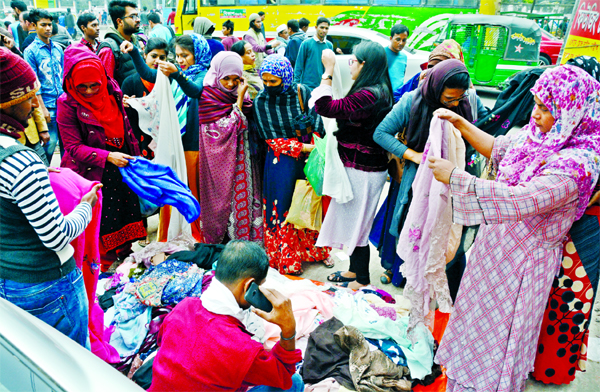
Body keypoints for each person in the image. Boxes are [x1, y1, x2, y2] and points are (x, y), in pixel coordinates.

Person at [429, 64, 600, 392]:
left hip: (522, 269)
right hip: (493, 258)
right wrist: (461, 123)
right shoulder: (539, 139)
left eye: (546, 108)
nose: (535, 114)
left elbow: (522, 200)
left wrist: (456, 177)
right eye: (535, 104)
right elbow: (499, 149)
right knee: (473, 330)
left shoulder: (576, 165)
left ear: (572, 113)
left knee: (498, 344)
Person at [0, 47, 101, 347]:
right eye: (28, 97)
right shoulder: (20, 161)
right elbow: (56, 237)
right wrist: (85, 207)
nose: (38, 107)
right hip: (45, 284)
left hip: (7, 279)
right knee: (71, 362)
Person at [373, 60, 484, 292]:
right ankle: (416, 285)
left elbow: (482, 132)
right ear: (436, 87)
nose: (454, 104)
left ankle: (447, 292)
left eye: (458, 99)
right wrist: (413, 155)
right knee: (416, 229)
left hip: (455, 180)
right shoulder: (412, 101)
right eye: (448, 99)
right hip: (418, 183)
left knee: (450, 238)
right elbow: (381, 133)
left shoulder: (469, 102)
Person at [147, 240, 303, 391]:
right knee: (295, 382)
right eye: (259, 286)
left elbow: (163, 341)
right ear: (249, 286)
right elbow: (284, 376)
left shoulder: (184, 306)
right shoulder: (243, 349)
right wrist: (288, 327)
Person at [531, 56, 600, 385]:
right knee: (546, 295)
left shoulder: (591, 130)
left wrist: (582, 196)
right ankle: (535, 359)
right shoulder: (563, 127)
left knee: (570, 298)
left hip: (587, 226)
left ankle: (553, 368)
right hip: (563, 223)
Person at [310, 43, 393, 289]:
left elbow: (325, 107)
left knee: (359, 227)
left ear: (365, 64)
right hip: (363, 167)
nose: (351, 65)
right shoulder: (377, 89)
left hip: (364, 170)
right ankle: (353, 273)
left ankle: (361, 279)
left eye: (354, 61)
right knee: (354, 225)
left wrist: (328, 71)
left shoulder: (370, 94)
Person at [58, 46, 146, 272]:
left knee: (127, 211)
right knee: (102, 218)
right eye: (82, 87)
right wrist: (108, 156)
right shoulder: (67, 103)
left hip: (122, 163)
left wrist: (135, 157)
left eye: (93, 85)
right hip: (93, 171)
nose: (88, 92)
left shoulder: (112, 89)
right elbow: (73, 147)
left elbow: (125, 125)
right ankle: (102, 265)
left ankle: (125, 254)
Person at [125, 33, 212, 242]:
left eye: (185, 55)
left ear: (197, 54)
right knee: (172, 186)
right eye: (178, 55)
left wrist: (177, 74)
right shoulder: (180, 71)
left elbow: (195, 90)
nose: (180, 60)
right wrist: (135, 52)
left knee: (190, 188)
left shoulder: (205, 75)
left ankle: (194, 232)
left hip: (193, 141)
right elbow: (149, 73)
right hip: (176, 140)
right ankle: (171, 233)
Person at [253, 54, 331, 274]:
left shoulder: (302, 92)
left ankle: (315, 251)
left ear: (285, 78)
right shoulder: (261, 101)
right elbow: (268, 137)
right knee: (284, 206)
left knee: (308, 202)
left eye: (273, 81)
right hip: (281, 161)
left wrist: (312, 144)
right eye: (265, 81)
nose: (268, 86)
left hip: (307, 159)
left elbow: (317, 118)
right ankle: (287, 259)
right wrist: (303, 148)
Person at [194, 51, 261, 244]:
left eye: (236, 79)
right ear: (217, 76)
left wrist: (241, 99)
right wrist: (239, 101)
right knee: (223, 205)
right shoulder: (208, 96)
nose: (231, 84)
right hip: (219, 166)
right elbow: (221, 129)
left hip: (245, 162)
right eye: (226, 79)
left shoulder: (243, 94)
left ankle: (244, 243)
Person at [23, 8, 64, 164]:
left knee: (66, 144)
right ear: (34, 25)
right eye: (43, 25)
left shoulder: (58, 48)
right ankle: (46, 175)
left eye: (50, 24)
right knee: (50, 143)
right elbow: (34, 83)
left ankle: (66, 178)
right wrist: (42, 108)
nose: (48, 28)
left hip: (62, 102)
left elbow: (62, 76)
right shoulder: (30, 51)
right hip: (47, 105)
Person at [121, 37, 169, 159]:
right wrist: (126, 103)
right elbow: (123, 114)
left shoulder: (168, 81)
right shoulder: (130, 82)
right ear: (145, 54)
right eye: (154, 56)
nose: (157, 61)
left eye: (162, 58)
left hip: (164, 136)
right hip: (138, 138)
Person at [98, 0, 142, 86]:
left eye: (137, 16)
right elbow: (107, 86)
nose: (138, 20)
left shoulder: (135, 42)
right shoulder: (109, 49)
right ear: (119, 22)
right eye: (133, 16)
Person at [293, 17, 333, 91]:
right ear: (316, 27)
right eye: (322, 27)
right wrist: (296, 84)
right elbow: (299, 65)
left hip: (323, 86)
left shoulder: (329, 45)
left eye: (326, 28)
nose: (324, 30)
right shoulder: (306, 43)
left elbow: (330, 67)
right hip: (307, 86)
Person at [386, 23, 409, 92]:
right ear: (391, 38)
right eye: (398, 39)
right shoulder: (382, 53)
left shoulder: (404, 57)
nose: (401, 43)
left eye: (404, 40)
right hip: (384, 96)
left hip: (398, 97)